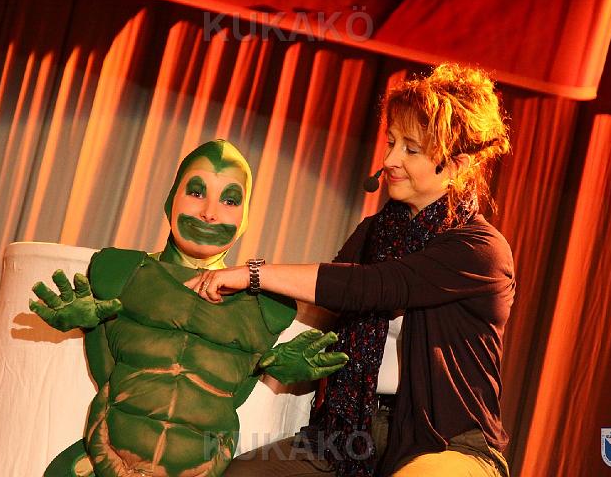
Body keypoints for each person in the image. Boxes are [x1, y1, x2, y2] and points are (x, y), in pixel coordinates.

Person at [186, 64, 515, 477]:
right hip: (351, 432)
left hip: (448, 442)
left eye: (411, 150)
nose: (390, 160)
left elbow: (370, 287)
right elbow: (320, 310)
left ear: (457, 165)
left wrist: (253, 272)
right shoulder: (374, 233)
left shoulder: (480, 250)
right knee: (243, 474)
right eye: (391, 142)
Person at [29, 139, 348, 477]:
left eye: (230, 200)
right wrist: (87, 321)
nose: (210, 213)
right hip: (105, 457)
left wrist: (279, 366)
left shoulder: (269, 305)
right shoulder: (120, 272)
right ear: (171, 200)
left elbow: (244, 381)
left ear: (244, 216)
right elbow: (105, 359)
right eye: (196, 192)